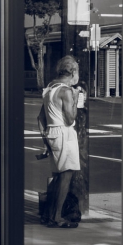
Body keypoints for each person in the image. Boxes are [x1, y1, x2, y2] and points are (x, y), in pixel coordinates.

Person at [37, 56, 85, 228]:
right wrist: (76, 99)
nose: (77, 75)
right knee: (66, 176)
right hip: (64, 134)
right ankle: (56, 217)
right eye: (77, 71)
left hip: (52, 132)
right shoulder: (66, 91)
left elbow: (41, 118)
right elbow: (70, 119)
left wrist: (46, 140)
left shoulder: (50, 89)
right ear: (72, 72)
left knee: (58, 176)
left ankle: (48, 214)